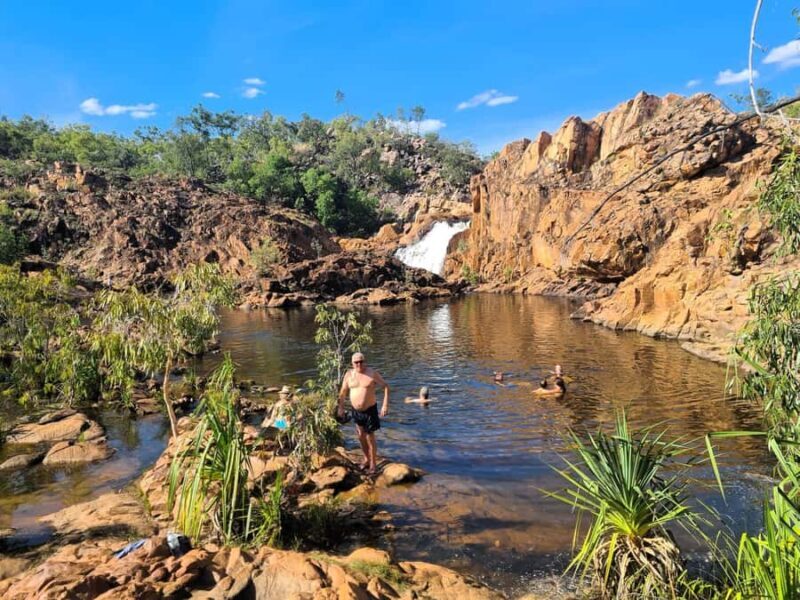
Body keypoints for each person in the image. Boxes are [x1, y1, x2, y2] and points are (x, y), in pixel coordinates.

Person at [338, 352, 390, 474]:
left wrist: (385, 405)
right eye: (356, 362)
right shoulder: (349, 375)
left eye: (361, 361)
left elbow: (386, 387)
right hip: (356, 411)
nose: (359, 364)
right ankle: (366, 459)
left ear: (364, 361)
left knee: (370, 437)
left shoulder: (372, 373)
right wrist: (340, 408)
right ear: (352, 363)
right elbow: (343, 392)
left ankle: (373, 464)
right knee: (360, 435)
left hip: (370, 410)